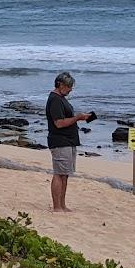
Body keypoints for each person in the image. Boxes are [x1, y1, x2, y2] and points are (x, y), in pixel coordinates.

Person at [45, 70, 96, 213]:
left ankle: (62, 205)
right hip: (60, 141)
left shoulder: (61, 99)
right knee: (59, 173)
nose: (70, 89)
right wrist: (77, 118)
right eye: (68, 87)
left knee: (65, 173)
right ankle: (57, 206)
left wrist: (82, 117)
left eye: (71, 87)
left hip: (68, 141)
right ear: (60, 84)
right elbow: (59, 123)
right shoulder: (55, 99)